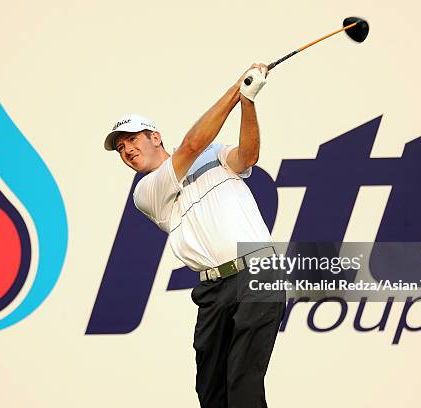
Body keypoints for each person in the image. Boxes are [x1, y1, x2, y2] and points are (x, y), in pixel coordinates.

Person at [104, 64, 286, 408]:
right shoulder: (146, 192)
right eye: (120, 149)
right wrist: (237, 88)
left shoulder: (214, 153)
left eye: (131, 139)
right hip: (213, 290)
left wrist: (248, 100)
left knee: (243, 385)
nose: (126, 150)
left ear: (154, 136)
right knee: (212, 394)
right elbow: (190, 145)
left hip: (260, 273)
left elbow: (248, 155)